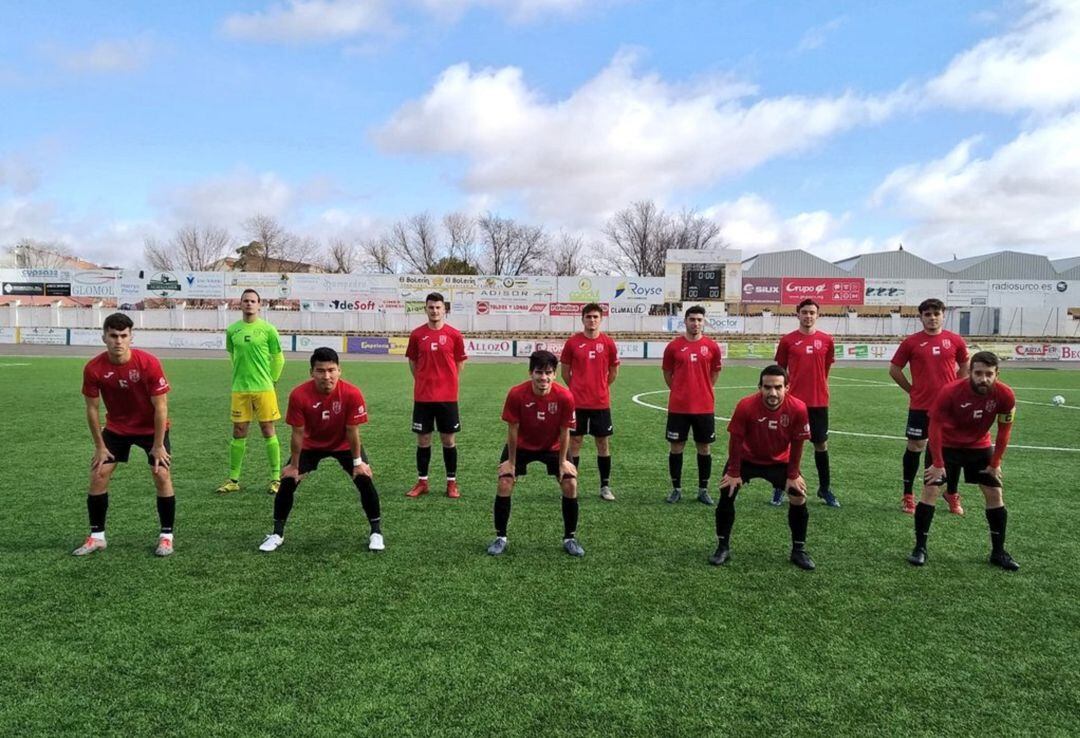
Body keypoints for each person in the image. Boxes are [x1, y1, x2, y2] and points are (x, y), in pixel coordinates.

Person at [258, 347, 383, 553]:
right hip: (311, 444)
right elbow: (297, 433)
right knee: (288, 481)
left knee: (364, 478)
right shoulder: (299, 395)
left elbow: (352, 431)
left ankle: (376, 532)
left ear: (339, 371)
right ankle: (277, 534)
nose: (327, 376)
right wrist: (295, 466)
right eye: (321, 370)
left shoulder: (352, 393)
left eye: (331, 370)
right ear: (312, 372)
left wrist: (358, 462)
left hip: (343, 444)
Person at [74, 312, 175, 557]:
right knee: (99, 473)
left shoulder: (148, 363)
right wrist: (100, 446)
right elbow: (92, 409)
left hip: (151, 429)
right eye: (113, 336)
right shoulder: (94, 368)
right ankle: (97, 537)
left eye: (123, 336)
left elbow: (161, 407)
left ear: (131, 337)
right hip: (117, 428)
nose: (118, 341)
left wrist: (159, 445)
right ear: (104, 338)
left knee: (161, 474)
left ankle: (166, 537)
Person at [908, 352, 1018, 570]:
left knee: (994, 493)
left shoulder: (1005, 395)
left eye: (989, 374)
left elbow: (1004, 431)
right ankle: (920, 548)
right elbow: (935, 428)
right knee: (930, 489)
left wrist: (995, 463)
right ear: (970, 372)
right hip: (945, 445)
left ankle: (998, 552)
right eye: (978, 373)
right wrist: (938, 463)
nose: (983, 378)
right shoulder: (950, 392)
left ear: (997, 373)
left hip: (978, 446)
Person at [710, 366, 815, 570]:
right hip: (746, 459)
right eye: (767, 387)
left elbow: (798, 444)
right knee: (726, 490)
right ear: (760, 387)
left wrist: (793, 475)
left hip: (779, 462)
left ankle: (798, 550)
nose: (772, 393)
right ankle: (722, 547)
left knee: (798, 495)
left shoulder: (799, 408)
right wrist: (733, 472)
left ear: (787, 388)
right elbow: (736, 441)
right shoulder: (746, 406)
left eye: (778, 387)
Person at [486, 350, 581, 557]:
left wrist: (563, 461)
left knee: (570, 482)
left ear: (554, 375)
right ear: (531, 373)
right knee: (504, 481)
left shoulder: (565, 396)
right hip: (521, 446)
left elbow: (566, 431)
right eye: (539, 372)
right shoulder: (516, 394)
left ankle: (570, 538)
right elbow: (512, 429)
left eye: (548, 372)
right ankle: (500, 537)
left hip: (553, 447)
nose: (543, 378)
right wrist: (511, 462)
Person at [889, 298, 969, 515]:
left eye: (936, 313)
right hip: (920, 406)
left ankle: (951, 492)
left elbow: (965, 367)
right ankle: (908, 495)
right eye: (927, 314)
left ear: (943, 315)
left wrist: (956, 389)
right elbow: (895, 369)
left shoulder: (955, 340)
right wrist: (911, 390)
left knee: (950, 451)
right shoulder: (911, 342)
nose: (932, 318)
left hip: (948, 408)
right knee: (915, 447)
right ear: (921, 317)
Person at [216, 289, 285, 495]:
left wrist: (272, 380)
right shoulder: (232, 331)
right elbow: (233, 357)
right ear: (240, 304)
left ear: (259, 304)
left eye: (253, 301)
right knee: (238, 432)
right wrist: (240, 377)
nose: (249, 304)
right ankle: (233, 479)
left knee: (267, 430)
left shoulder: (268, 329)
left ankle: (276, 478)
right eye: (245, 301)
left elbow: (279, 359)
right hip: (240, 389)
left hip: (264, 388)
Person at [773, 298, 839, 507]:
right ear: (798, 314)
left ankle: (825, 489)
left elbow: (826, 368)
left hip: (819, 401)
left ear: (817, 315)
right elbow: (781, 371)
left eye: (812, 312)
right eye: (805, 312)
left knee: (820, 444)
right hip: (793, 402)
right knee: (787, 445)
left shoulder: (827, 340)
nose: (808, 316)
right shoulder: (788, 341)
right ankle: (780, 487)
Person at [405, 292, 468, 499]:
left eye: (438, 307)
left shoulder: (454, 335)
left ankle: (451, 483)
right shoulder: (416, 335)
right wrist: (424, 380)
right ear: (426, 309)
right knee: (423, 441)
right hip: (423, 397)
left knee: (448, 440)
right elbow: (413, 363)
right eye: (431, 307)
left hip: (447, 397)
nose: (434, 311)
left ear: (444, 310)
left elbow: (459, 363)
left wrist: (447, 381)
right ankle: (422, 482)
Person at [662, 305, 723, 505]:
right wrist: (681, 390)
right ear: (685, 321)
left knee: (704, 448)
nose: (695, 323)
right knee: (676, 446)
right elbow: (668, 374)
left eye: (699, 319)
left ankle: (703, 490)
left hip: (704, 407)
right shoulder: (673, 347)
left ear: (703, 322)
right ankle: (676, 488)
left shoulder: (712, 347)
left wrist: (701, 389)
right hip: (679, 407)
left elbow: (714, 374)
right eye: (692, 319)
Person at [561, 303, 620, 501]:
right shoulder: (572, 342)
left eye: (595, 317)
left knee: (602, 443)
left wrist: (600, 386)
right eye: (588, 317)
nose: (592, 320)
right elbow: (565, 372)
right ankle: (572, 483)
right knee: (575, 442)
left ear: (601, 319)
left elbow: (613, 372)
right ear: (582, 319)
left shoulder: (608, 343)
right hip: (577, 403)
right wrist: (578, 387)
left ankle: (605, 486)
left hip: (601, 403)